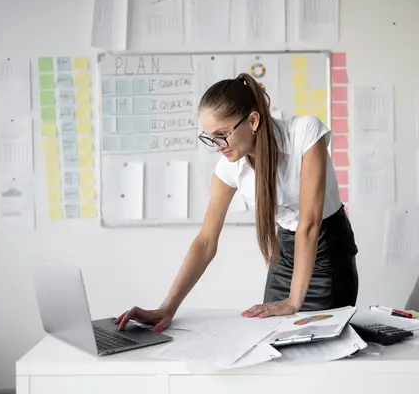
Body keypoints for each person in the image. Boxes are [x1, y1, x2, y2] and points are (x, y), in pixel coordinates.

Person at [115, 73, 358, 332]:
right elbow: (205, 241)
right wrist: (167, 308)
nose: (217, 146)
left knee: (323, 348)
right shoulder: (229, 169)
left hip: (328, 252)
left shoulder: (305, 133)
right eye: (210, 137)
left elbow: (309, 224)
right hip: (285, 256)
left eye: (222, 134)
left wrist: (293, 301)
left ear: (253, 120)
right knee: (274, 341)